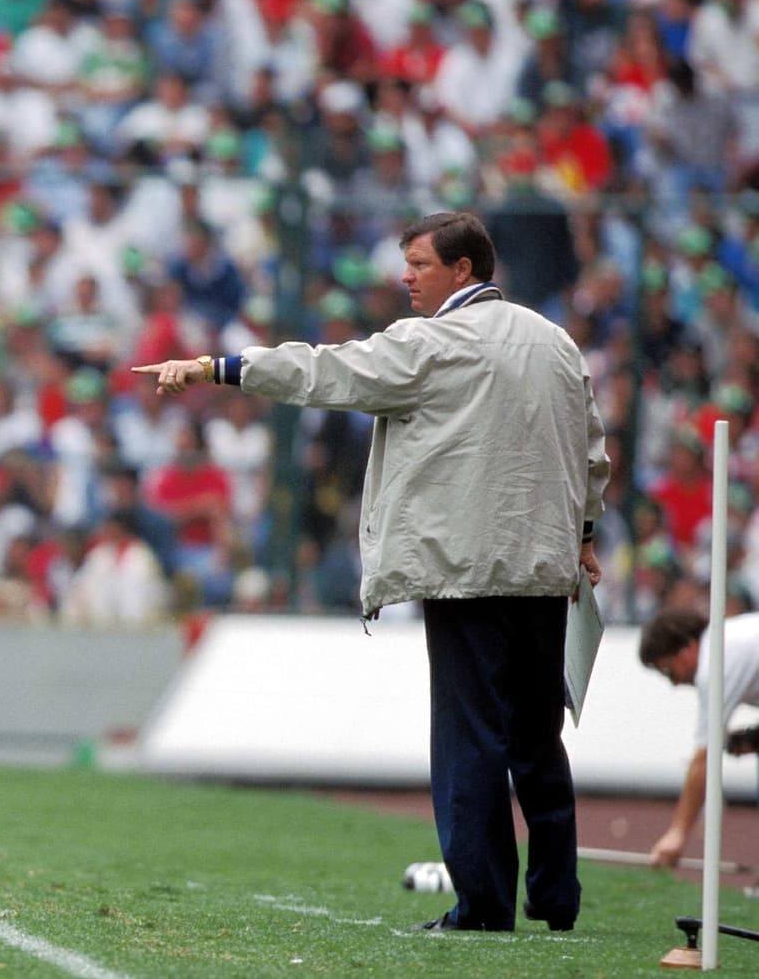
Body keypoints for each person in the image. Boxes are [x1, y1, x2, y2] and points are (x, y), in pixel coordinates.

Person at [133, 211, 609, 933]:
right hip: (544, 565)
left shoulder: (431, 343)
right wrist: (584, 532)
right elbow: (591, 448)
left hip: (464, 568)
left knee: (470, 734)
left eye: (419, 263)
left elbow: (329, 371)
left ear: (463, 271)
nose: (405, 277)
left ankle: (482, 906)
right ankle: (556, 895)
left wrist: (221, 366)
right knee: (537, 734)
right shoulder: (555, 342)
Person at [638, 607, 759, 867]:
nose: (674, 683)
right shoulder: (729, 639)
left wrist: (677, 833)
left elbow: (704, 757)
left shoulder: (714, 662)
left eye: (668, 671)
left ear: (687, 648)